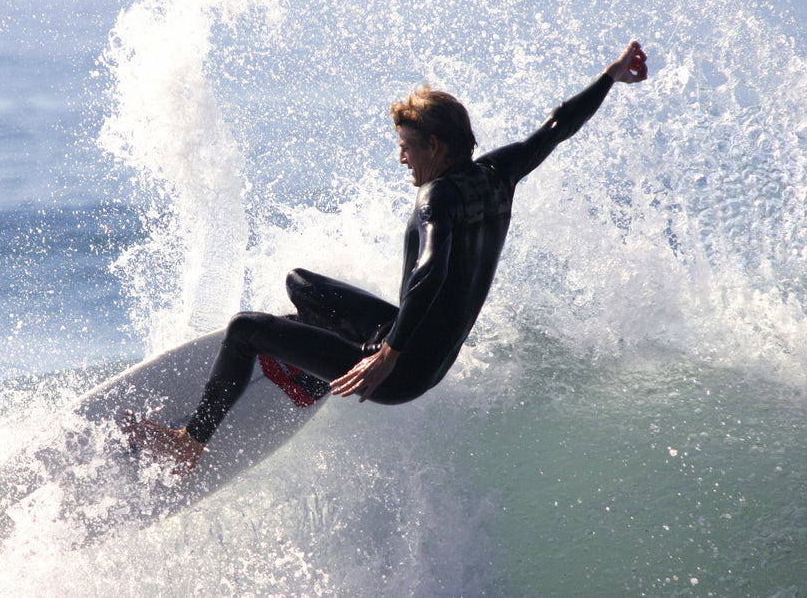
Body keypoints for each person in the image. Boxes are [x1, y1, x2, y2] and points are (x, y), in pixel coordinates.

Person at [120, 40, 649, 472]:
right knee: (301, 283)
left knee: (244, 328)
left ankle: (189, 442)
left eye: (407, 146)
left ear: (435, 146)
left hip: (402, 372)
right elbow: (558, 126)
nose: (402, 158)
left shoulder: (436, 198)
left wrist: (388, 354)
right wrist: (610, 76)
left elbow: (432, 269)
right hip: (423, 348)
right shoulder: (497, 173)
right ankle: (309, 373)